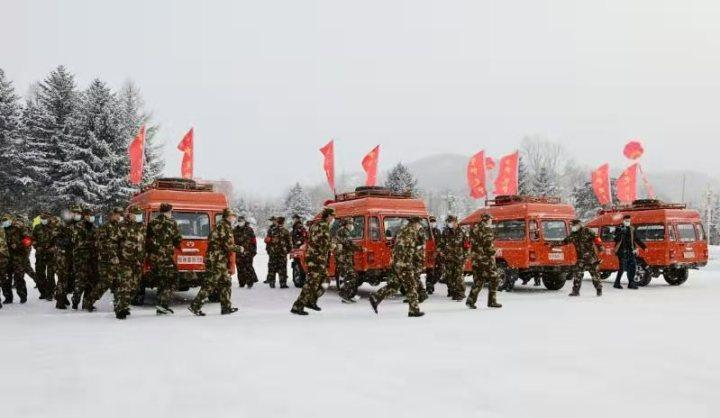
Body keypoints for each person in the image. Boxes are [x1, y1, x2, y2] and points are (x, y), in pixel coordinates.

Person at [369, 217, 425, 317]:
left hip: (397, 263)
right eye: (419, 224)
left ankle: (376, 297)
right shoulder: (411, 232)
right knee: (411, 285)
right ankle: (414, 310)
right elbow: (409, 250)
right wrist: (417, 258)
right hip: (404, 263)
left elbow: (396, 246)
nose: (419, 226)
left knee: (394, 285)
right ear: (415, 223)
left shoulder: (402, 230)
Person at [190, 208, 240, 316]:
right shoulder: (223, 226)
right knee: (210, 284)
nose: (234, 218)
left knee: (225, 283)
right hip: (216, 260)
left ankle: (226, 307)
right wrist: (240, 248)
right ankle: (195, 306)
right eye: (233, 216)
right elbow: (227, 245)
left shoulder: (222, 225)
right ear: (228, 216)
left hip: (219, 260)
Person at [291, 208, 335, 315]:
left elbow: (314, 239)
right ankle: (297, 306)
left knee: (324, 280)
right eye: (332, 216)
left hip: (315, 258)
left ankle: (311, 301)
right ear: (328, 216)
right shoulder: (323, 226)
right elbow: (322, 242)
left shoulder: (316, 224)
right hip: (316, 259)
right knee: (311, 283)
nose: (333, 218)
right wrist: (333, 246)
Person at [145, 203, 182, 314]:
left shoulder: (152, 223)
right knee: (172, 279)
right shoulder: (172, 223)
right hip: (165, 257)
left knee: (162, 280)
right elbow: (177, 240)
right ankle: (163, 304)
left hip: (154, 258)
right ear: (168, 211)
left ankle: (161, 306)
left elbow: (147, 239)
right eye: (171, 211)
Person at [85, 207, 123, 313]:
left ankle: (119, 305)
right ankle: (89, 301)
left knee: (118, 283)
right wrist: (112, 255)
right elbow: (101, 244)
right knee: (105, 283)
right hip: (106, 261)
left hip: (117, 261)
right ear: (111, 215)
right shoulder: (105, 227)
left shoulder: (119, 227)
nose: (119, 216)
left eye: (119, 214)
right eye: (117, 214)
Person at [552, 219, 603, 297]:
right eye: (572, 225)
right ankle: (575, 291)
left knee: (595, 275)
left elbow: (597, 239)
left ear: (579, 225)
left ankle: (599, 290)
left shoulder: (588, 231)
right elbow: (565, 241)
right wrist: (554, 244)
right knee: (577, 274)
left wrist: (600, 247)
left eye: (574, 225)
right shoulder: (573, 234)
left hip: (591, 258)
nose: (573, 227)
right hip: (581, 259)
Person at [116, 207, 147, 319]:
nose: (139, 216)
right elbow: (114, 242)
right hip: (125, 261)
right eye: (137, 214)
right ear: (130, 215)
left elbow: (144, 242)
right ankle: (120, 309)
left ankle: (124, 305)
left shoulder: (142, 226)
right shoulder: (122, 226)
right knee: (126, 286)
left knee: (134, 287)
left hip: (137, 262)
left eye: (140, 214)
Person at [466, 214, 502, 309]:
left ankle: (470, 300)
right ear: (486, 220)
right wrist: (495, 251)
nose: (491, 221)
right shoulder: (487, 230)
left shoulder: (474, 229)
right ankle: (492, 301)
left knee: (479, 280)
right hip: (485, 260)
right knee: (495, 278)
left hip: (476, 260)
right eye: (490, 219)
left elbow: (475, 245)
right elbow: (487, 247)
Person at [71, 208, 97, 310]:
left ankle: (86, 303)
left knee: (91, 282)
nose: (91, 217)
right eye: (89, 215)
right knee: (80, 282)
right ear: (85, 216)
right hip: (81, 259)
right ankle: (75, 301)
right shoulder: (78, 226)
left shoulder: (94, 227)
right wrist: (91, 243)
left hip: (92, 259)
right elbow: (77, 242)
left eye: (92, 215)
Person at [4, 216, 33, 304]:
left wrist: (18, 245)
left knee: (19, 278)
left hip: (18, 257)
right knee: (6, 278)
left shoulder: (19, 228)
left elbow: (28, 240)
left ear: (11, 220)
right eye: (3, 221)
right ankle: (8, 297)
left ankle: (23, 296)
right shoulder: (2, 230)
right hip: (6, 258)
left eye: (6, 220)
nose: (5, 222)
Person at [613, 215, 647, 290]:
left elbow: (636, 239)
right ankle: (617, 283)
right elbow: (615, 239)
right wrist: (621, 233)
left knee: (632, 267)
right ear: (623, 220)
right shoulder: (619, 228)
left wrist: (644, 247)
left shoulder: (632, 229)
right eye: (626, 221)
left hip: (631, 251)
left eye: (629, 221)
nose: (627, 222)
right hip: (621, 251)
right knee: (622, 267)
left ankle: (631, 283)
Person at [54, 207, 78, 309]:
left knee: (70, 279)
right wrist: (63, 242)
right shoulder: (62, 223)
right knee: (62, 278)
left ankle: (63, 297)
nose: (75, 215)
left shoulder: (77, 224)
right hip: (63, 255)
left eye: (77, 213)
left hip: (73, 255)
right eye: (74, 212)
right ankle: (60, 301)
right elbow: (55, 236)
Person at [439, 215, 467, 301]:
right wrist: (440, 251)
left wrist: (465, 257)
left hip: (459, 258)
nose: (449, 223)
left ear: (455, 222)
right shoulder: (446, 232)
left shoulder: (462, 231)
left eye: (450, 222)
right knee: (449, 276)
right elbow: (441, 243)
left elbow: (467, 245)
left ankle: (460, 293)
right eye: (448, 222)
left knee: (458, 276)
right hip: (448, 258)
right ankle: (452, 291)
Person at [335, 218, 362, 303]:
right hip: (344, 259)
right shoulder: (344, 231)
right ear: (347, 224)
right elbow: (349, 243)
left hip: (346, 258)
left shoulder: (343, 231)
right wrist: (360, 248)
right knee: (352, 276)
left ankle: (349, 295)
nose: (352, 226)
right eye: (351, 224)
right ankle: (345, 295)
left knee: (351, 276)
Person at [32, 212, 58, 300]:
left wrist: (54, 247)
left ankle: (50, 293)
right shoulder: (37, 227)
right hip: (40, 254)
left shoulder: (54, 227)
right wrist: (35, 245)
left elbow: (58, 240)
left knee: (50, 274)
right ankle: (43, 292)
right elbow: (33, 238)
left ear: (49, 219)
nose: (43, 220)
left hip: (51, 254)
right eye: (42, 219)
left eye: (45, 219)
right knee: (39, 273)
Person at [265, 216, 292, 288]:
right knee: (282, 268)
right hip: (281, 253)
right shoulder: (285, 231)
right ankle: (282, 283)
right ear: (283, 222)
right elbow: (289, 243)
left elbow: (267, 241)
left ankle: (272, 282)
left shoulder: (272, 230)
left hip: (274, 252)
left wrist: (269, 250)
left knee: (272, 268)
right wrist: (287, 251)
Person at [233, 215, 258, 288]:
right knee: (239, 268)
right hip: (238, 252)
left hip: (248, 252)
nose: (240, 222)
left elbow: (254, 241)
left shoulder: (249, 230)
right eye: (239, 221)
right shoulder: (235, 230)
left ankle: (250, 282)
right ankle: (241, 282)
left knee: (248, 267)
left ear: (244, 221)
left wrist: (253, 251)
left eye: (241, 221)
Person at [425, 216, 443, 295]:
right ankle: (429, 287)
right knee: (430, 271)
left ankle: (431, 283)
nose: (433, 223)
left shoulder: (438, 231)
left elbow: (441, 242)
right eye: (431, 221)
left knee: (439, 271)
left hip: (437, 254)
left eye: (434, 221)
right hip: (428, 253)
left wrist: (438, 251)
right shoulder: (425, 231)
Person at [0, 215, 10, 309]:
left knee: (3, 279)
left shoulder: (2, 230)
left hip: (2, 257)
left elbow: (3, 243)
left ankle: (8, 297)